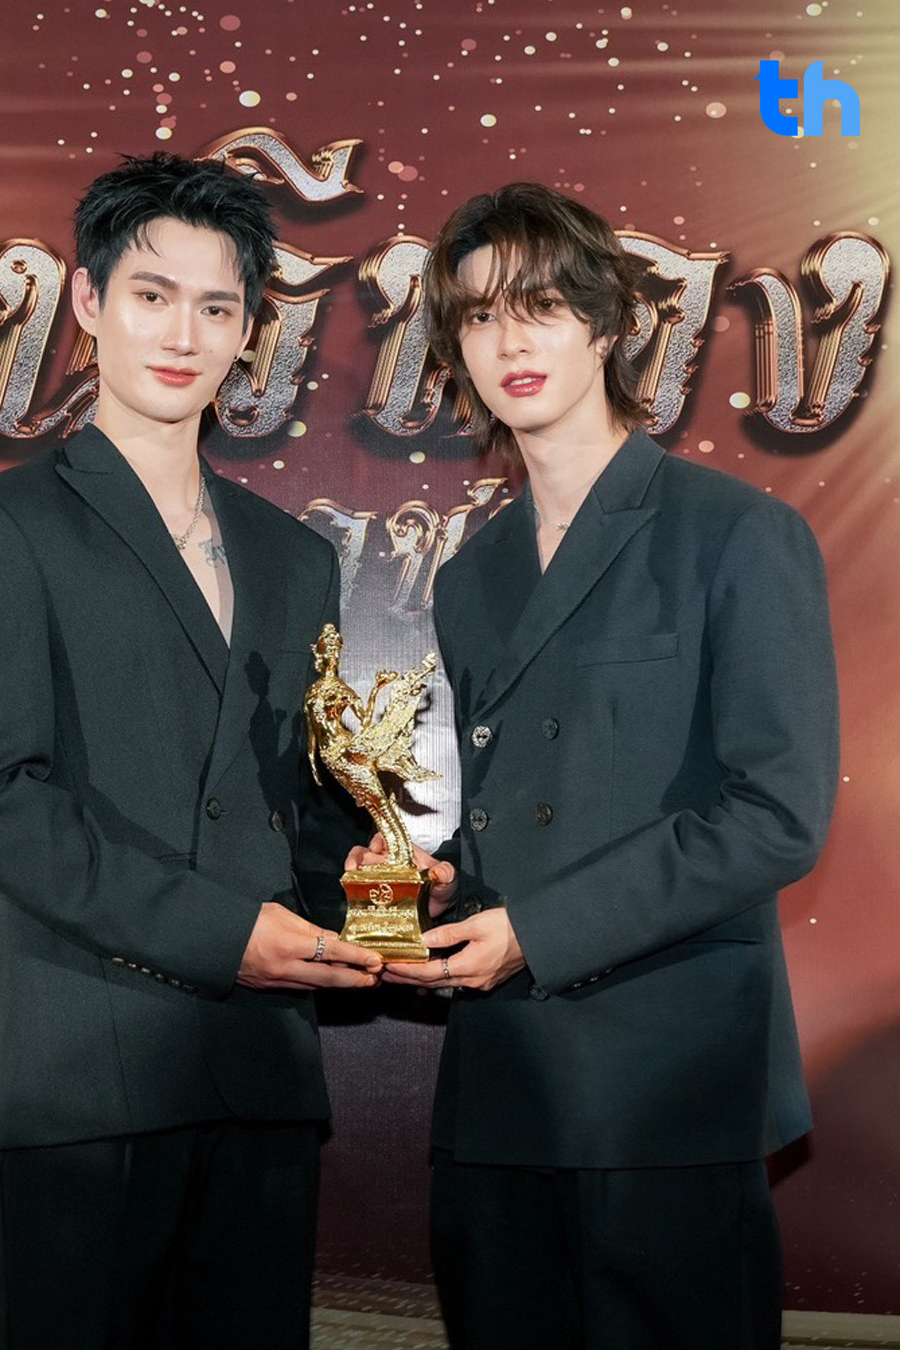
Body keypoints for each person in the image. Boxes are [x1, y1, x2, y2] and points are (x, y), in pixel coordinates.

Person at [0, 152, 382, 1350]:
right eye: (152, 296)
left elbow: (299, 799)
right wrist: (224, 936)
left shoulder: (294, 558)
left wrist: (383, 890)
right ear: (87, 301)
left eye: (217, 307)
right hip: (87, 1071)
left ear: (249, 331)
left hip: (262, 1078)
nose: (183, 335)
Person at [359, 182, 839, 1348]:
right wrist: (438, 888)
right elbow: (522, 804)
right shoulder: (472, 575)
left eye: (540, 306)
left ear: (609, 323)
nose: (510, 342)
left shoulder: (737, 533)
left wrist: (539, 929)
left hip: (670, 1081)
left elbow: (776, 814)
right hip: (504, 1084)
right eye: (479, 317)